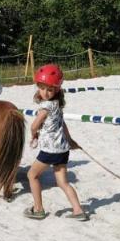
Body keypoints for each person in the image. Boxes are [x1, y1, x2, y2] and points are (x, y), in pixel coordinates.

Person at [24, 64, 87, 221]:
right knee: (62, 182)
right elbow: (62, 124)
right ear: (38, 86)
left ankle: (38, 209)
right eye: (42, 88)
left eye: (50, 89)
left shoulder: (45, 107)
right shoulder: (58, 105)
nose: (45, 92)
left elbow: (34, 125)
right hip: (62, 150)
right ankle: (78, 210)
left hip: (50, 151)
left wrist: (34, 135)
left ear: (56, 90)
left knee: (32, 175)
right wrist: (70, 140)